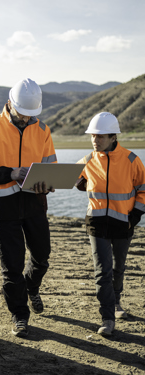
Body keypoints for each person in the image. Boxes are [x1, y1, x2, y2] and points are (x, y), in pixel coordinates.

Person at [0, 78, 57, 337]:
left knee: (42, 256)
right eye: (22, 114)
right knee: (12, 266)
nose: (25, 119)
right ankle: (19, 314)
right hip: (4, 206)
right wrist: (11, 173)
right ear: (10, 104)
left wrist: (49, 182)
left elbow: (51, 165)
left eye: (30, 115)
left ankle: (31, 286)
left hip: (34, 202)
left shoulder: (42, 129)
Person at [75, 112, 145, 336]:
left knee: (118, 268)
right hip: (96, 223)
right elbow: (68, 176)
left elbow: (143, 189)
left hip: (123, 223)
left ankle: (116, 303)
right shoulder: (87, 160)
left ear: (113, 137)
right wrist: (78, 182)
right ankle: (107, 317)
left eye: (100, 136)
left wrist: (135, 216)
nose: (95, 140)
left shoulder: (132, 160)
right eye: (93, 136)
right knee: (102, 271)